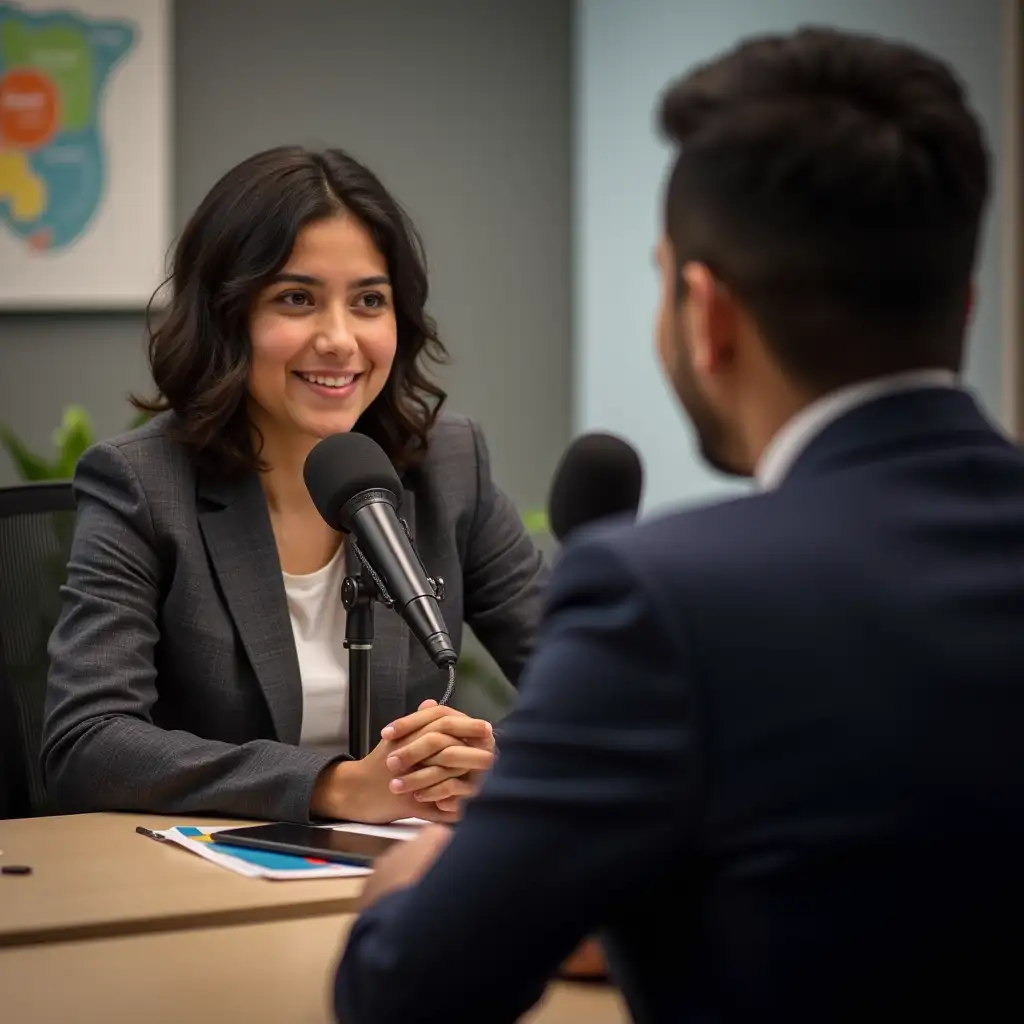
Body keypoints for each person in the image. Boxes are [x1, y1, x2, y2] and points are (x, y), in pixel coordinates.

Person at [334, 27, 1024, 1023]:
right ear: (960, 304)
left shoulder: (670, 600)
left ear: (706, 315)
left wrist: (413, 877)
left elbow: (405, 992)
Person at [41, 146, 548, 825]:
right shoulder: (142, 483)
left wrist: (488, 761)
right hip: (205, 881)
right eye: (296, 299)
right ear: (228, 316)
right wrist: (335, 787)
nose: (339, 339)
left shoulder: (449, 465)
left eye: (369, 300)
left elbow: (597, 690)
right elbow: (87, 741)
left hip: (399, 874)